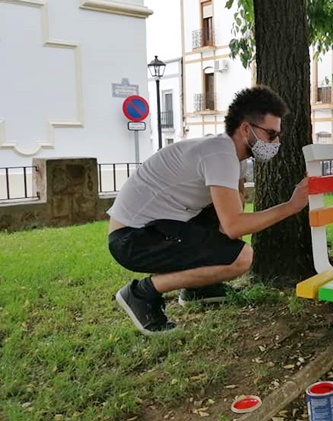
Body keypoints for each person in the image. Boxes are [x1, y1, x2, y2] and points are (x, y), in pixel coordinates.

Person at [108, 86, 309, 335]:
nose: (275, 143)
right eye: (270, 134)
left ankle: (199, 289)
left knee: (224, 229)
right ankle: (141, 293)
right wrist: (292, 206)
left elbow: (227, 223)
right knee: (242, 257)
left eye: (277, 135)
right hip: (131, 239)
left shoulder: (232, 157)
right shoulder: (220, 154)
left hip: (155, 228)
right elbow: (235, 225)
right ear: (246, 128)